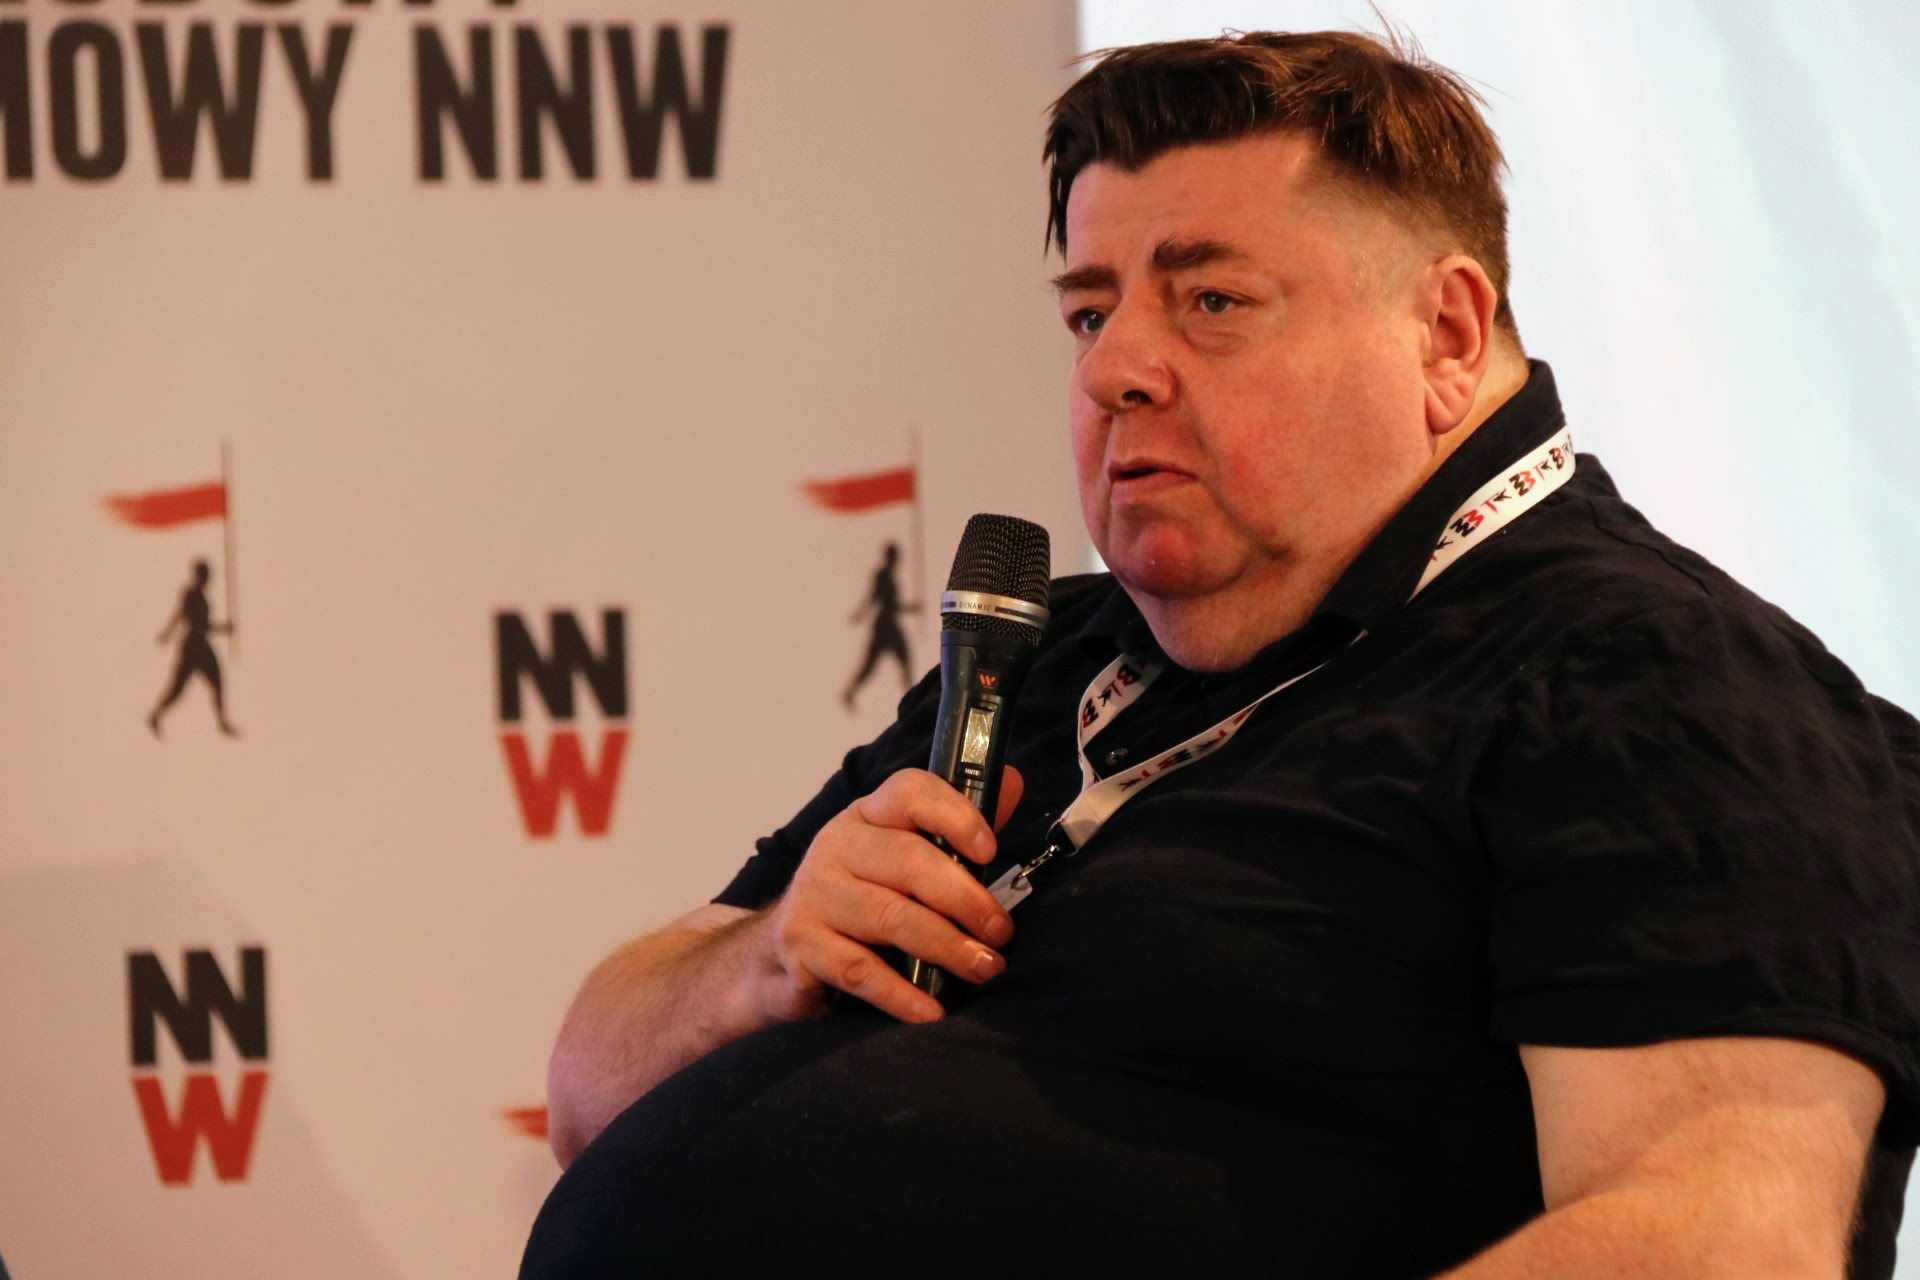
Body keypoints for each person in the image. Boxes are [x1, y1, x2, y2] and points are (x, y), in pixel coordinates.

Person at [523, 30, 1920, 1278]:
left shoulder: (1653, 684)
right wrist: (765, 961)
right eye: (1090, 311)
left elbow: (1722, 1246)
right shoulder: (1043, 657)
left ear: (1446, 334)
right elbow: (586, 1090)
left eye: (1210, 302)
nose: (1112, 368)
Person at [148, 558, 238, 738]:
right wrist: (223, 628)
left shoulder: (201, 596)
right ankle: (155, 715)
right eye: (205, 575)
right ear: (199, 575)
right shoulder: (191, 594)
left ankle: (222, 722)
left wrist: (167, 633)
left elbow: (190, 620)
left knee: (217, 682)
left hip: (202, 644)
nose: (208, 579)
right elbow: (185, 617)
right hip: (192, 647)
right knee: (177, 689)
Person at [841, 541, 914, 710]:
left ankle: (913, 699)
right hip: (885, 626)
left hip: (889, 624)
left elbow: (890, 603)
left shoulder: (889, 577)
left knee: (903, 661)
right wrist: (860, 613)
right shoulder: (882, 576)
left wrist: (910, 608)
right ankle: (850, 692)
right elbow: (874, 598)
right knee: (875, 664)